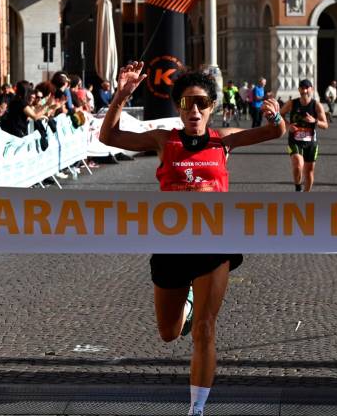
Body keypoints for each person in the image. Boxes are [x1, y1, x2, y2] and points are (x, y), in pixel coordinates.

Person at [99, 61, 285, 416]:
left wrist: (274, 116)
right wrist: (121, 97)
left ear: (212, 107)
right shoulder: (163, 139)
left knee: (205, 329)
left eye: (201, 103)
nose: (194, 110)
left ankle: (196, 409)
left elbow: (275, 133)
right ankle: (184, 302)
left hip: (215, 244)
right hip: (171, 244)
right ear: (178, 108)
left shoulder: (224, 139)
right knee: (169, 333)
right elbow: (108, 139)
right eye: (186, 103)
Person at [280, 79, 328, 192]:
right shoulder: (292, 103)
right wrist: (287, 126)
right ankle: (298, 187)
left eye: (307, 88)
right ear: (299, 89)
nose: (304, 90)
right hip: (295, 140)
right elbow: (280, 114)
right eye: (302, 88)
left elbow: (325, 125)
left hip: (311, 142)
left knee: (309, 171)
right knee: (297, 165)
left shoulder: (316, 105)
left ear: (311, 89)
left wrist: (315, 121)